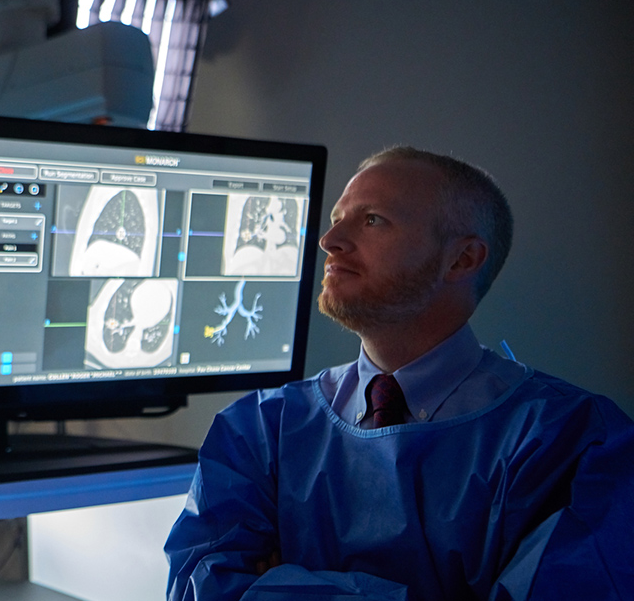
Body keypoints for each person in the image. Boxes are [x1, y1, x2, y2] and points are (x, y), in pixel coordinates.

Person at [164, 147, 634, 600]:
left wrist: (283, 584)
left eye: (372, 221)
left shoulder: (570, 440)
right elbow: (201, 589)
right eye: (335, 220)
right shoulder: (260, 429)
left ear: (462, 259)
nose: (329, 242)